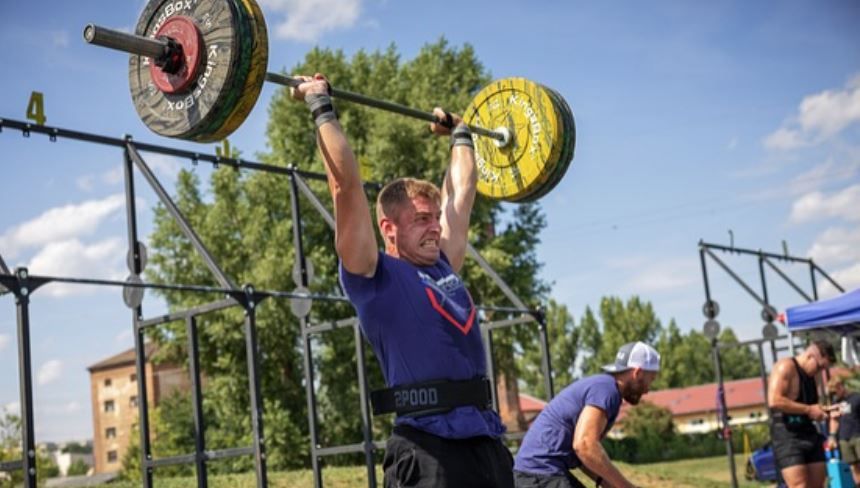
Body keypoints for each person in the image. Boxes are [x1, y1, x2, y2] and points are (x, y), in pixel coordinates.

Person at [290, 74, 513, 488]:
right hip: (429, 452)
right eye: (421, 219)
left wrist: (461, 134)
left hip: (486, 444)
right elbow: (345, 187)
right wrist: (320, 105)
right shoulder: (373, 276)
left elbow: (462, 192)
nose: (435, 226)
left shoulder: (444, 263)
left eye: (434, 217)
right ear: (388, 228)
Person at [513, 341, 661, 488]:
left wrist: (609, 484)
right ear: (638, 373)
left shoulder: (604, 387)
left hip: (538, 471)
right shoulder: (607, 391)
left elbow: (585, 455)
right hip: (540, 472)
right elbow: (584, 445)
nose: (647, 390)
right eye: (651, 379)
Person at [767, 340, 837, 488]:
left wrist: (824, 411)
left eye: (823, 369)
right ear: (810, 356)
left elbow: (811, 407)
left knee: (818, 485)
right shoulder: (785, 367)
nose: (819, 372)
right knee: (800, 485)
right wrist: (809, 410)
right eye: (819, 367)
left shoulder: (813, 376)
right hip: (787, 434)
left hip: (808, 431)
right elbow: (774, 401)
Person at [828, 375, 860, 484]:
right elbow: (834, 420)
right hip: (844, 438)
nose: (834, 395)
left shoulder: (856, 398)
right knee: (853, 467)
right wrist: (832, 437)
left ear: (840, 386)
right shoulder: (835, 403)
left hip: (858, 435)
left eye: (835, 391)